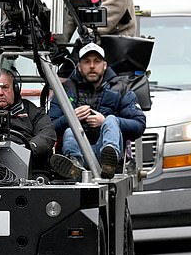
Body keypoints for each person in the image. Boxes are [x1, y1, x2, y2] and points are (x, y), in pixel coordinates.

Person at [48, 43, 146, 179]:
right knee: (71, 129)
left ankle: (109, 162)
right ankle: (75, 167)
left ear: (105, 65)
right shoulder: (64, 90)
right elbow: (48, 129)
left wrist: (104, 121)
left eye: (97, 61)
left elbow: (139, 125)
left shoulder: (121, 89)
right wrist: (70, 118)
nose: (92, 66)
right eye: (87, 62)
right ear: (79, 66)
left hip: (105, 151)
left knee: (111, 120)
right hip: (77, 153)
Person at [0, 68, 56, 176]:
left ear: (15, 89)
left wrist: (27, 149)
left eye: (5, 87)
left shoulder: (30, 110)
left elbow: (47, 133)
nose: (0, 93)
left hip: (30, 166)